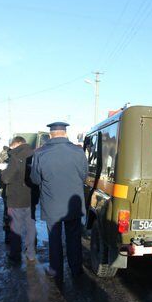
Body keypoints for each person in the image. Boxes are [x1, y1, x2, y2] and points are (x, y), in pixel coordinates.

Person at [30, 122, 88, 285]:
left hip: (52, 204)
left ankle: (56, 273)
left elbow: (35, 179)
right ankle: (76, 270)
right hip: (73, 205)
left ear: (51, 135)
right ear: (65, 133)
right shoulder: (78, 151)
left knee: (54, 240)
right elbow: (84, 176)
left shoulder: (40, 153)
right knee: (74, 238)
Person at [0, 136, 38, 263]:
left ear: (16, 144)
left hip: (16, 199)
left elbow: (6, 178)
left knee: (15, 228)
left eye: (12, 147)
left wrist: (2, 172)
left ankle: (15, 255)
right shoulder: (35, 155)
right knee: (30, 226)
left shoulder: (15, 157)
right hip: (31, 197)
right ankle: (31, 253)